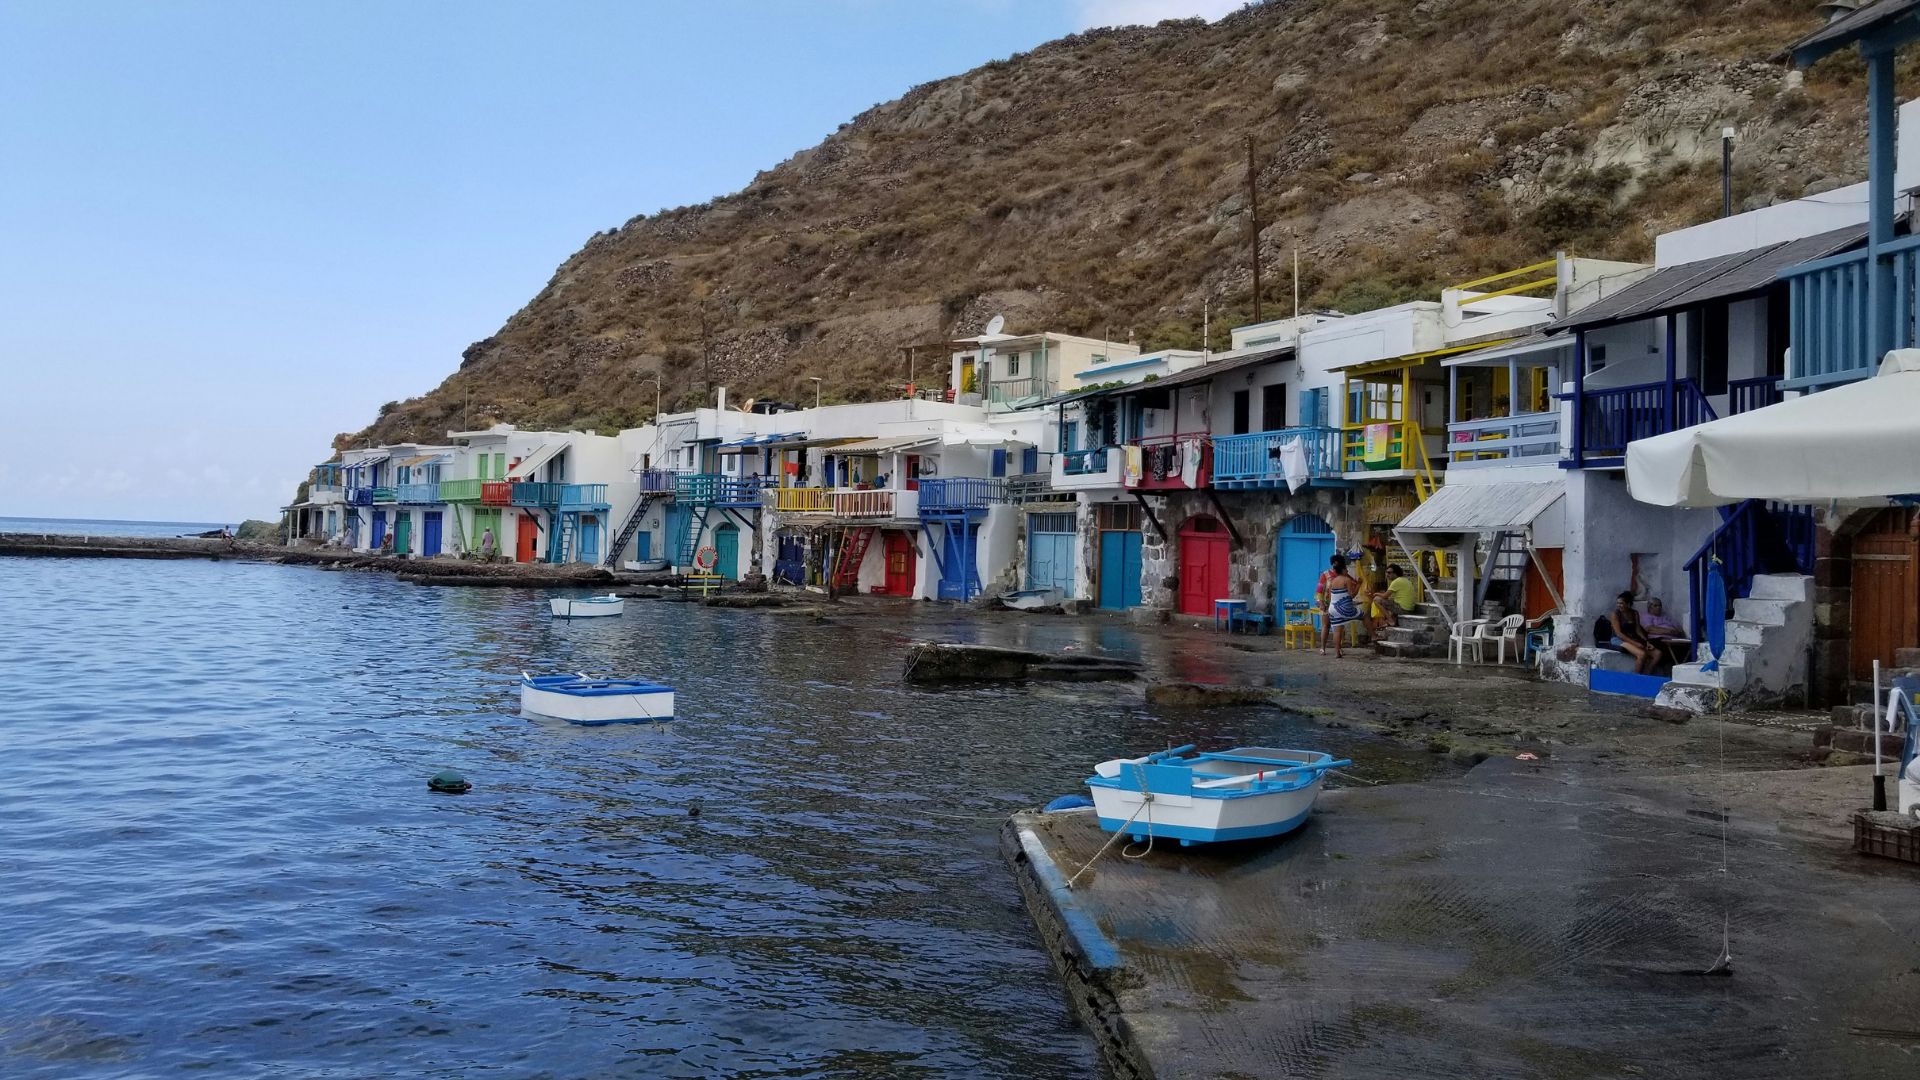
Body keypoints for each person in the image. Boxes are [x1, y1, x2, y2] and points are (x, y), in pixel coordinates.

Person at [1322, 555, 1365, 659]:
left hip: (1333, 605)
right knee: (1326, 626)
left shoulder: (1339, 577)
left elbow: (1352, 584)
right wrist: (1320, 603)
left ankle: (1337, 650)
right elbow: (1319, 588)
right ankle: (1323, 648)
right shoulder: (1327, 574)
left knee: (1337, 629)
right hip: (1334, 605)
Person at [1608, 590, 1659, 675]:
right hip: (1618, 639)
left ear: (1628, 604)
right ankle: (1636, 677)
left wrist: (1646, 642)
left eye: (1621, 603)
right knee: (1642, 654)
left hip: (1632, 638)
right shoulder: (1615, 614)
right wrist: (1635, 644)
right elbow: (1619, 634)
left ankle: (1647, 673)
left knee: (1657, 653)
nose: (1619, 605)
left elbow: (1638, 630)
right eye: (1618, 603)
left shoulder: (1634, 613)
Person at [1371, 564, 1418, 630]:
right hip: (1409, 609)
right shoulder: (1404, 580)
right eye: (1386, 572)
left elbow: (1385, 596)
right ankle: (1391, 620)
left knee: (1376, 600)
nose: (1387, 574)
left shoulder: (1396, 581)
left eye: (1389, 573)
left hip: (1404, 609)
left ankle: (1390, 620)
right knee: (1391, 601)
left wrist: (1376, 594)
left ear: (1396, 573)